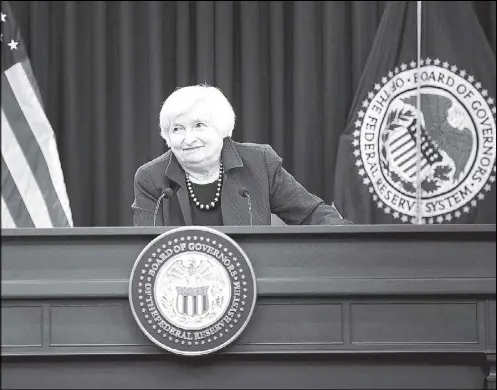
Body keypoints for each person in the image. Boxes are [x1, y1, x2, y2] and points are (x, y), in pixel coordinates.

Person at [132, 84, 352, 226]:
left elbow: (310, 214)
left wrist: (351, 237)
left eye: (198, 125)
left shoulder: (258, 163)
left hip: (251, 284)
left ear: (221, 127)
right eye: (177, 129)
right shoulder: (151, 177)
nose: (188, 138)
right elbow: (144, 247)